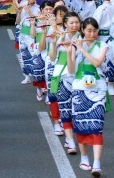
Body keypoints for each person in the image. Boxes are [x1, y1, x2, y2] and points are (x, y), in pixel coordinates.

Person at [67, 17, 109, 177]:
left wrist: (82, 49)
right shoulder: (76, 44)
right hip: (79, 88)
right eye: (89, 30)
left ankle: (97, 163)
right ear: (83, 31)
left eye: (94, 30)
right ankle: (84, 157)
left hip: (97, 90)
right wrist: (71, 51)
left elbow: (97, 62)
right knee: (81, 125)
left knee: (97, 126)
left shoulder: (102, 45)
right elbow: (71, 70)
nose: (92, 34)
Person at [46, 8, 78, 153]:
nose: (74, 25)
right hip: (62, 75)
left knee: (75, 110)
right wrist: (53, 42)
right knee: (65, 107)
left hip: (78, 76)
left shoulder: (82, 37)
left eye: (77, 22)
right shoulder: (60, 37)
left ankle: (69, 135)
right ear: (65, 24)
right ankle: (71, 141)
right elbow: (52, 58)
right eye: (71, 23)